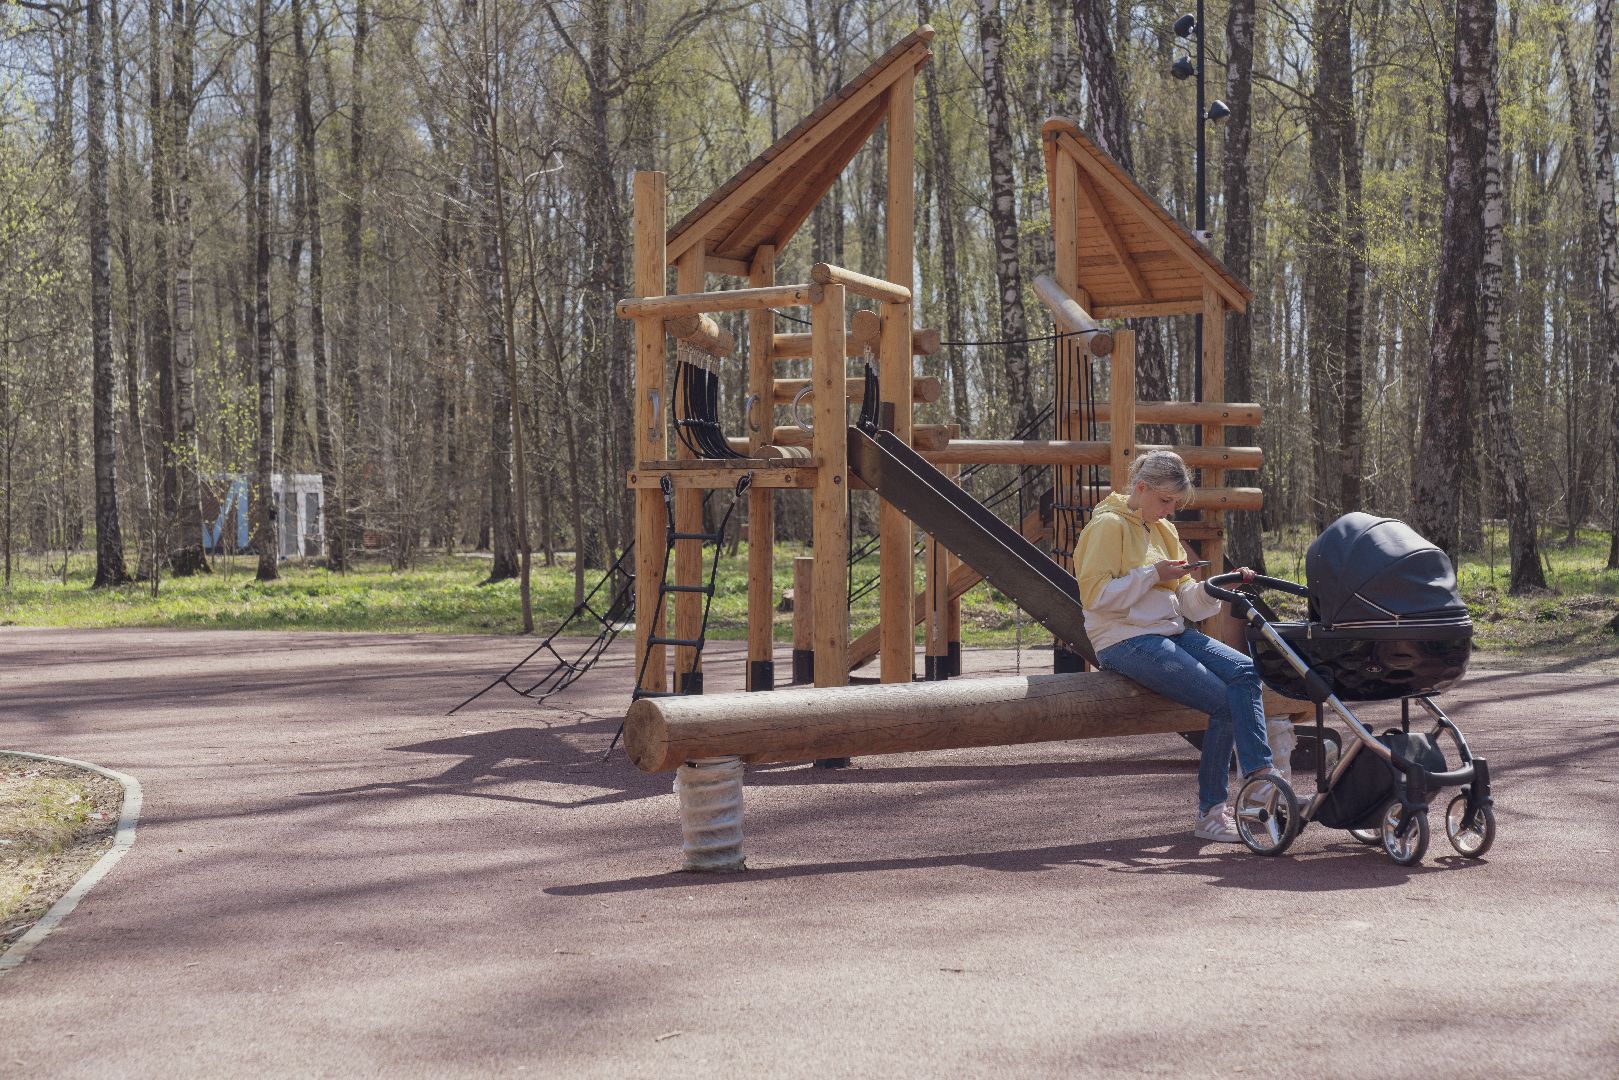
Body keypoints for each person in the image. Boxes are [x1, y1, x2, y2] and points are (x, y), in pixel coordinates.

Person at [1072, 449, 1280, 843]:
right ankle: (1212, 812)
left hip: (1170, 632)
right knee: (1223, 702)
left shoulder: (1164, 531)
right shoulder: (1106, 527)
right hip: (1123, 639)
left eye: (1175, 504)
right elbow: (1095, 597)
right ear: (1141, 487)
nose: (1169, 511)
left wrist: (1218, 587)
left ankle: (1259, 775)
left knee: (1246, 671)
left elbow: (1187, 602)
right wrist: (1152, 574)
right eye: (1165, 501)